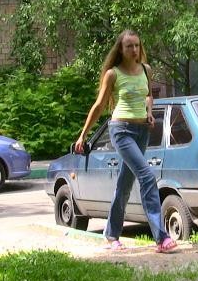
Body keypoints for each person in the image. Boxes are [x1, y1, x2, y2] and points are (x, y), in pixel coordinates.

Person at [75, 30, 178, 253]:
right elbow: (100, 105)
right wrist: (83, 134)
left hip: (142, 130)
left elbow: (149, 95)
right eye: (129, 46)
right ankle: (161, 237)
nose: (134, 50)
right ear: (120, 49)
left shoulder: (146, 70)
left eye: (137, 46)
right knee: (147, 176)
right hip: (121, 130)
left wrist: (149, 112)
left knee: (124, 184)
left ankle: (111, 235)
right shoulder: (113, 74)